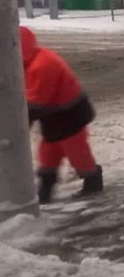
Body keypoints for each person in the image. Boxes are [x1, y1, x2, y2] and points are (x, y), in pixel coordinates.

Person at [19, 26, 102, 203]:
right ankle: (45, 191)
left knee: (77, 153)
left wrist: (19, 128)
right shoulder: (30, 61)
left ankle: (93, 182)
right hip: (54, 116)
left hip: (70, 116)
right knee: (48, 153)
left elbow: (35, 103)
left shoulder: (41, 66)